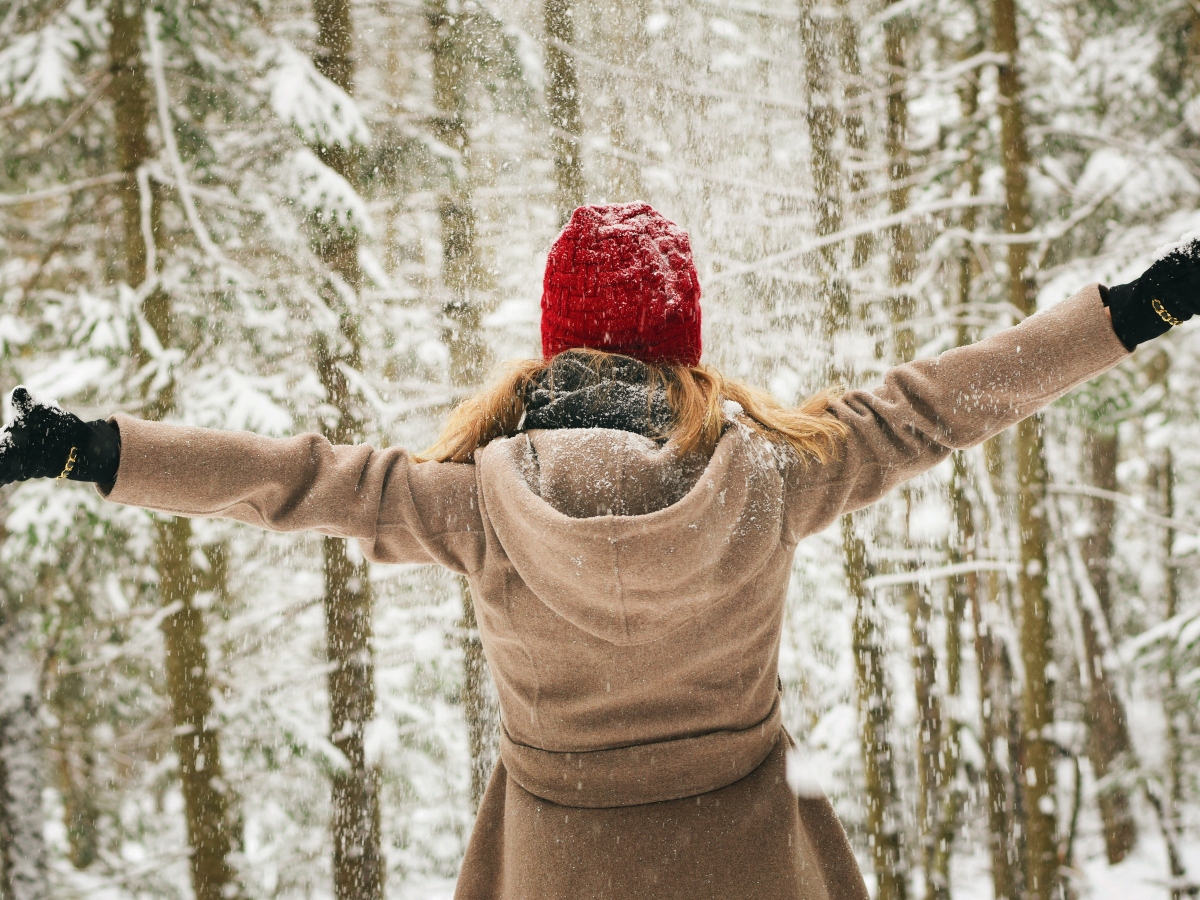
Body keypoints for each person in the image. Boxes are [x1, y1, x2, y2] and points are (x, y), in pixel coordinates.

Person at [1, 202, 1198, 899]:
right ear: (684, 346)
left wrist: (87, 449)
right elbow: (944, 402)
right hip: (747, 868)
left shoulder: (473, 504)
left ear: (552, 347)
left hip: (556, 864)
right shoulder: (774, 478)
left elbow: (292, 482)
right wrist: (1137, 308)